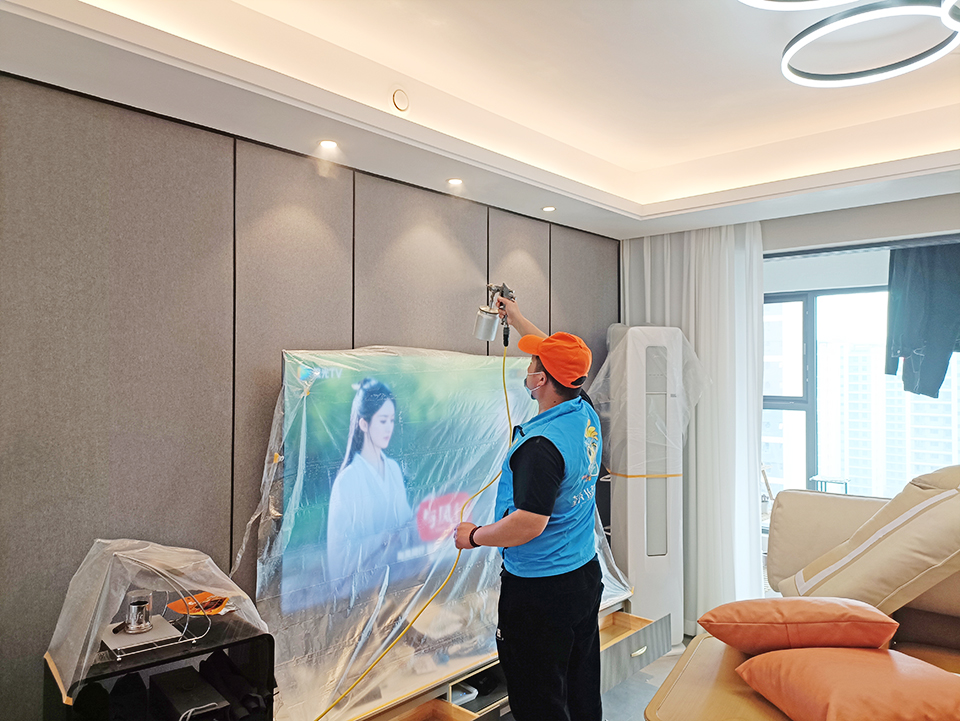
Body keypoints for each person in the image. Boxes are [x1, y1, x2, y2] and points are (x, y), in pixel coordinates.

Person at [455, 298, 604, 721]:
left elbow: (529, 524)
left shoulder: (540, 447)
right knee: (580, 687)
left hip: (541, 593)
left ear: (541, 380)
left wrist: (473, 536)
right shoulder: (583, 411)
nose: (527, 368)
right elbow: (559, 361)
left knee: (539, 700)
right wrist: (517, 318)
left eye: (533, 364)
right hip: (582, 577)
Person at [326, 378, 415, 585]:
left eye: (392, 420)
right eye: (383, 421)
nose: (389, 428)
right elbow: (339, 557)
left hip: (399, 582)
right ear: (364, 423)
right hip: (362, 590)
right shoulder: (347, 481)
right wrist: (384, 539)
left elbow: (405, 524)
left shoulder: (393, 469)